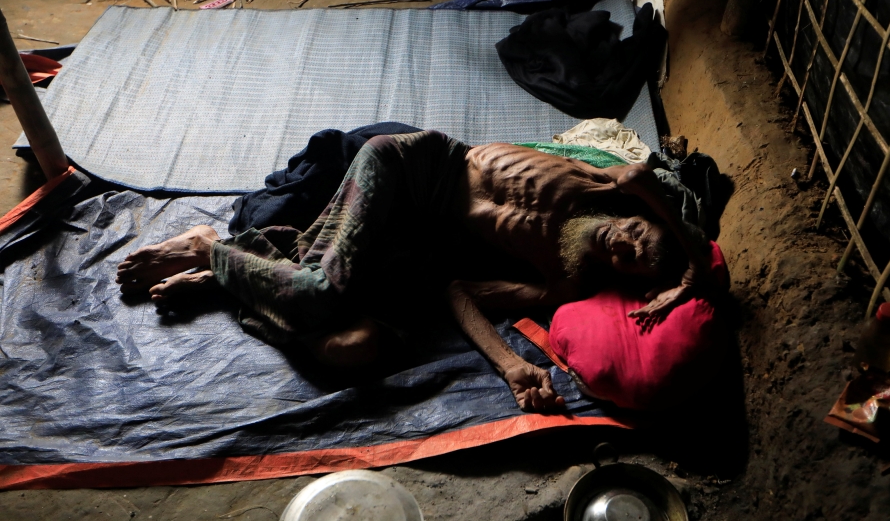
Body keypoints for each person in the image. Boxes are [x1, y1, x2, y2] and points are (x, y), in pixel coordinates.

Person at [116, 131, 713, 412]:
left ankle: (232, 273)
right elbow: (642, 180)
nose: (623, 241)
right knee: (318, 291)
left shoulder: (569, 282)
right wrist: (689, 261)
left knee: (351, 342)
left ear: (623, 280)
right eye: (637, 232)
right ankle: (209, 249)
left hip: (421, 237)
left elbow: (457, 290)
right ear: (646, 217)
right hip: (407, 168)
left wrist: (511, 365)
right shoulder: (612, 185)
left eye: (628, 257)